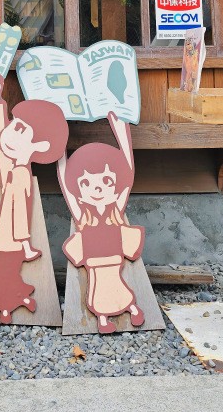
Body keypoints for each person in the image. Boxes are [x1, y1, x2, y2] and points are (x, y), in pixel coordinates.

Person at [0, 74, 69, 323]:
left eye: (19, 128)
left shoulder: (19, 173)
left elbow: (20, 210)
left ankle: (9, 301)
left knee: (6, 269)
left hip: (11, 238)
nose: (10, 131)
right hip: (9, 238)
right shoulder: (14, 169)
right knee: (4, 269)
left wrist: (23, 243)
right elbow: (0, 132)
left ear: (41, 146)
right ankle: (7, 303)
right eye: (13, 124)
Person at [58, 112, 146, 334]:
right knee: (97, 290)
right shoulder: (81, 213)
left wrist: (121, 130)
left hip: (114, 255)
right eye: (87, 183)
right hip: (94, 260)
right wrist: (59, 143)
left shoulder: (115, 206)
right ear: (79, 190)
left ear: (115, 186)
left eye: (107, 181)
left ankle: (132, 309)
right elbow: (65, 182)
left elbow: (128, 170)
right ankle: (104, 318)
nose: (97, 189)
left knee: (119, 287)